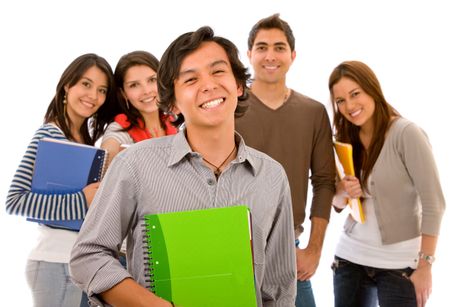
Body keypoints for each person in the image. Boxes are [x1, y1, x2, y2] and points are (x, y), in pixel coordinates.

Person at [69, 26, 297, 306]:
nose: (208, 85)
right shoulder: (134, 165)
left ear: (239, 85)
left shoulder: (271, 176)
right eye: (190, 79)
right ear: (173, 103)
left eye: (218, 71)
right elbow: (88, 255)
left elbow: (280, 290)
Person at [235, 13, 336, 307]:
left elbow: (324, 182)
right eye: (262, 47)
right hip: (234, 246)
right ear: (249, 54)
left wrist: (314, 249)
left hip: (287, 249)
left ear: (292, 55)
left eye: (279, 47)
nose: (270, 55)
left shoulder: (313, 112)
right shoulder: (229, 110)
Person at [329, 60, 445, 307]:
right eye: (340, 101)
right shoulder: (345, 137)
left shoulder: (406, 133)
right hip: (350, 258)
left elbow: (434, 203)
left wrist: (425, 266)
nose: (349, 106)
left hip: (400, 265)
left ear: (372, 88)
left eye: (355, 94)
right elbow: (337, 202)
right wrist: (343, 190)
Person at [5, 53, 116, 307]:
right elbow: (15, 201)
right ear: (68, 85)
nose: (93, 96)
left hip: (77, 265)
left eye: (101, 90)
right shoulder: (50, 134)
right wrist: (82, 199)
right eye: (86, 84)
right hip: (56, 265)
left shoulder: (85, 142)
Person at [101, 50, 178, 166]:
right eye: (134, 85)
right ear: (123, 93)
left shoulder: (175, 123)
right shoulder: (120, 129)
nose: (146, 91)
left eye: (152, 80)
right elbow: (106, 157)